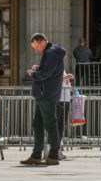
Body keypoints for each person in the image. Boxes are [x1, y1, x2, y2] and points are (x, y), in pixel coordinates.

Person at [20, 33, 65, 166]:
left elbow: (46, 74)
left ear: (41, 42)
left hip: (46, 94)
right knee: (38, 124)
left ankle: (53, 155)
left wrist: (33, 74)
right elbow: (49, 71)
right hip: (45, 94)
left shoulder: (51, 54)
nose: (36, 49)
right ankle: (36, 155)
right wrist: (38, 69)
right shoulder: (51, 53)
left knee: (50, 124)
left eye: (36, 46)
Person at [57, 70, 74, 160]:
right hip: (59, 100)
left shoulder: (62, 69)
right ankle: (55, 149)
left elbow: (68, 86)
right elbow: (53, 81)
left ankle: (58, 148)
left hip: (66, 100)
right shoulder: (54, 67)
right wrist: (66, 77)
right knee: (57, 126)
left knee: (61, 126)